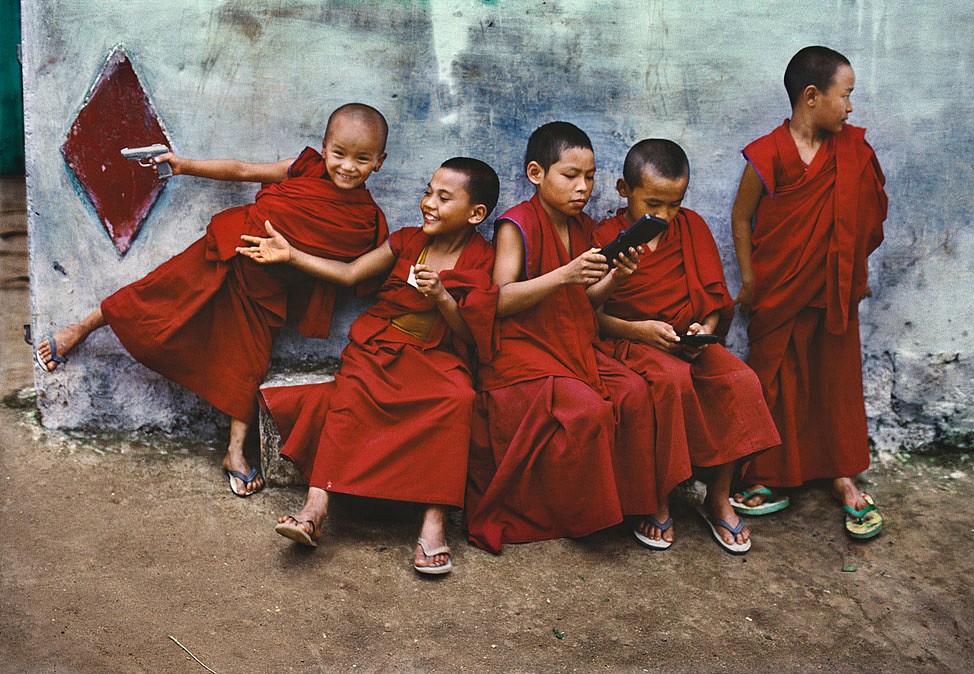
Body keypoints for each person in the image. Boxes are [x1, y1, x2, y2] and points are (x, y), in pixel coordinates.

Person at [34, 103, 390, 497]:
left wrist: (291, 257)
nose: (347, 166)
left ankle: (234, 452)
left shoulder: (365, 219)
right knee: (156, 292)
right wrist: (185, 165)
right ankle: (79, 328)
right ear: (324, 148)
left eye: (361, 159)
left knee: (250, 362)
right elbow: (242, 170)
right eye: (339, 153)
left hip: (267, 289)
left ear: (379, 161)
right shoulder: (304, 168)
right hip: (229, 250)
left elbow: (347, 272)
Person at [238, 157, 499, 575]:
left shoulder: (482, 259)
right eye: (427, 191)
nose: (428, 203)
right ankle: (314, 510)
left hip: (438, 356)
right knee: (351, 391)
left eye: (443, 198)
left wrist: (444, 299)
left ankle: (433, 525)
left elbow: (472, 334)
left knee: (459, 398)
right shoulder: (407, 241)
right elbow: (349, 273)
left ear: (476, 214)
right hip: (382, 344)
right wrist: (291, 256)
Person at [464, 121, 657, 554]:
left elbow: (585, 302)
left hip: (570, 343)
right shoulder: (516, 225)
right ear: (536, 173)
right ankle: (582, 516)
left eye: (589, 177)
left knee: (635, 392)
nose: (583, 187)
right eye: (570, 175)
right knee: (587, 411)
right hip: (522, 352)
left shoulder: (583, 225)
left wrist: (615, 278)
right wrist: (563, 275)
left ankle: (629, 508)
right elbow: (499, 299)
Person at [592, 139, 781, 554]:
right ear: (625, 190)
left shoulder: (691, 226)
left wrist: (703, 329)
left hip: (685, 340)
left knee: (740, 379)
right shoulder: (605, 236)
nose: (664, 215)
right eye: (654, 204)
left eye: (674, 204)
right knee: (670, 382)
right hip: (631, 341)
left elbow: (713, 296)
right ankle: (656, 498)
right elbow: (589, 315)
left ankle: (717, 495)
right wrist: (642, 331)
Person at [730, 46, 888, 539]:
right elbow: (741, 218)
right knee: (777, 377)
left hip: (835, 288)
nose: (851, 107)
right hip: (780, 290)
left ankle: (842, 475)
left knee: (834, 380)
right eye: (847, 95)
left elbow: (868, 217)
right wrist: (751, 278)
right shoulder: (768, 153)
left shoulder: (855, 152)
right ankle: (772, 472)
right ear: (812, 96)